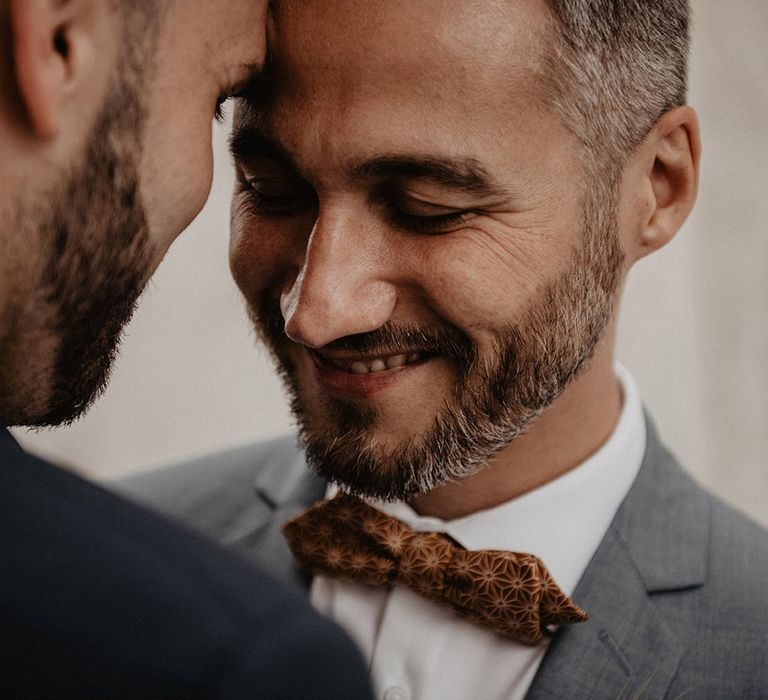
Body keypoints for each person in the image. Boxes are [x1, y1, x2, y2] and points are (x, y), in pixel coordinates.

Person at [118, 0, 768, 698]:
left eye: (428, 208)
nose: (318, 310)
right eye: (272, 192)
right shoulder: (110, 563)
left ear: (657, 186)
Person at [0, 0, 372, 697]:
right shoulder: (201, 660)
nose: (315, 314)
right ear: (56, 38)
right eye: (215, 100)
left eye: (429, 209)